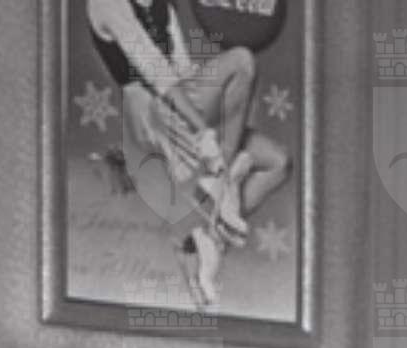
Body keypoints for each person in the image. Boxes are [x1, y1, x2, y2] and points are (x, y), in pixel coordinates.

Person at [85, 0, 292, 310]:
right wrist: (205, 133)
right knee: (242, 61)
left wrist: (222, 106)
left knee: (279, 162)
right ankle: (222, 184)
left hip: (184, 103)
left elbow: (182, 70)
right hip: (154, 114)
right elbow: (158, 75)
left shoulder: (164, 5)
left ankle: (208, 237)